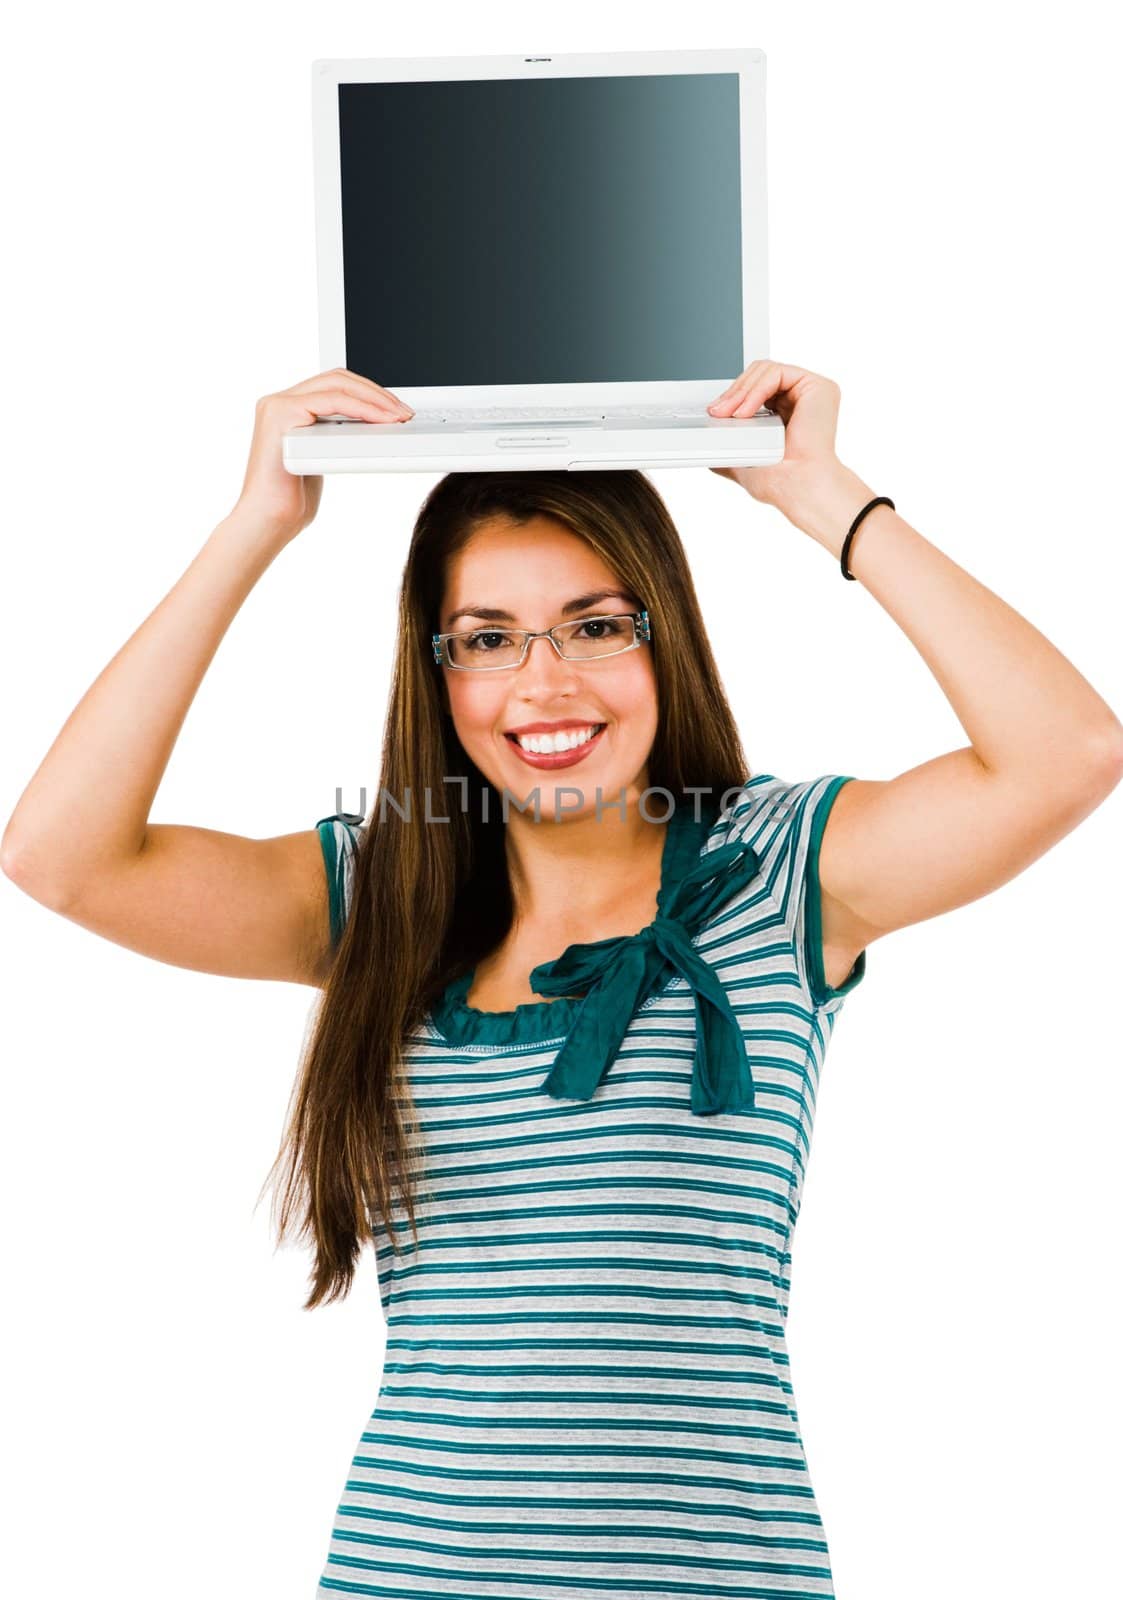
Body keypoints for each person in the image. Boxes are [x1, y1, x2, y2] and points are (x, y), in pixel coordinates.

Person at [3, 361, 1120, 1597]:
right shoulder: (380, 899)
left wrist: (825, 497)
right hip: (411, 1571)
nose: (545, 685)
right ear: (437, 675)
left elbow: (1065, 754)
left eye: (595, 625)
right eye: (488, 640)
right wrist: (258, 520)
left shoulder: (781, 870)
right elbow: (60, 857)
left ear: (663, 637)